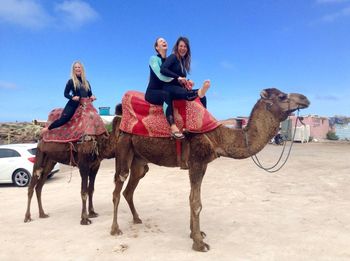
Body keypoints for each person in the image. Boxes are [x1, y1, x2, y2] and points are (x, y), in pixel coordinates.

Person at [160, 36, 210, 135]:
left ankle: (203, 121)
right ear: (177, 47)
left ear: (187, 49)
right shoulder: (173, 57)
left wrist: (187, 81)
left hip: (177, 88)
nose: (183, 48)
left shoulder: (182, 61)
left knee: (203, 98)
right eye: (181, 46)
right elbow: (163, 69)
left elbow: (180, 78)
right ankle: (200, 91)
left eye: (185, 47)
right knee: (188, 93)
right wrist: (178, 77)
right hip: (168, 88)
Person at [40, 61, 96, 136]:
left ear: (82, 69)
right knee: (64, 119)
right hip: (73, 104)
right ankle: (47, 129)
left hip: (85, 105)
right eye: (75, 67)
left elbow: (89, 94)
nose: (77, 69)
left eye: (79, 67)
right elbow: (65, 94)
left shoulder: (86, 82)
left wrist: (92, 97)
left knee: (94, 117)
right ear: (73, 70)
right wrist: (72, 97)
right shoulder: (71, 81)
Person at [145, 37, 185, 139]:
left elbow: (175, 77)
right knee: (166, 94)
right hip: (152, 92)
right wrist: (178, 78)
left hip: (164, 90)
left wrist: (185, 82)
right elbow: (161, 76)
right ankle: (173, 126)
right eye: (161, 41)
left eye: (165, 40)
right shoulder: (153, 59)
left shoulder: (169, 61)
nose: (164, 41)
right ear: (157, 47)